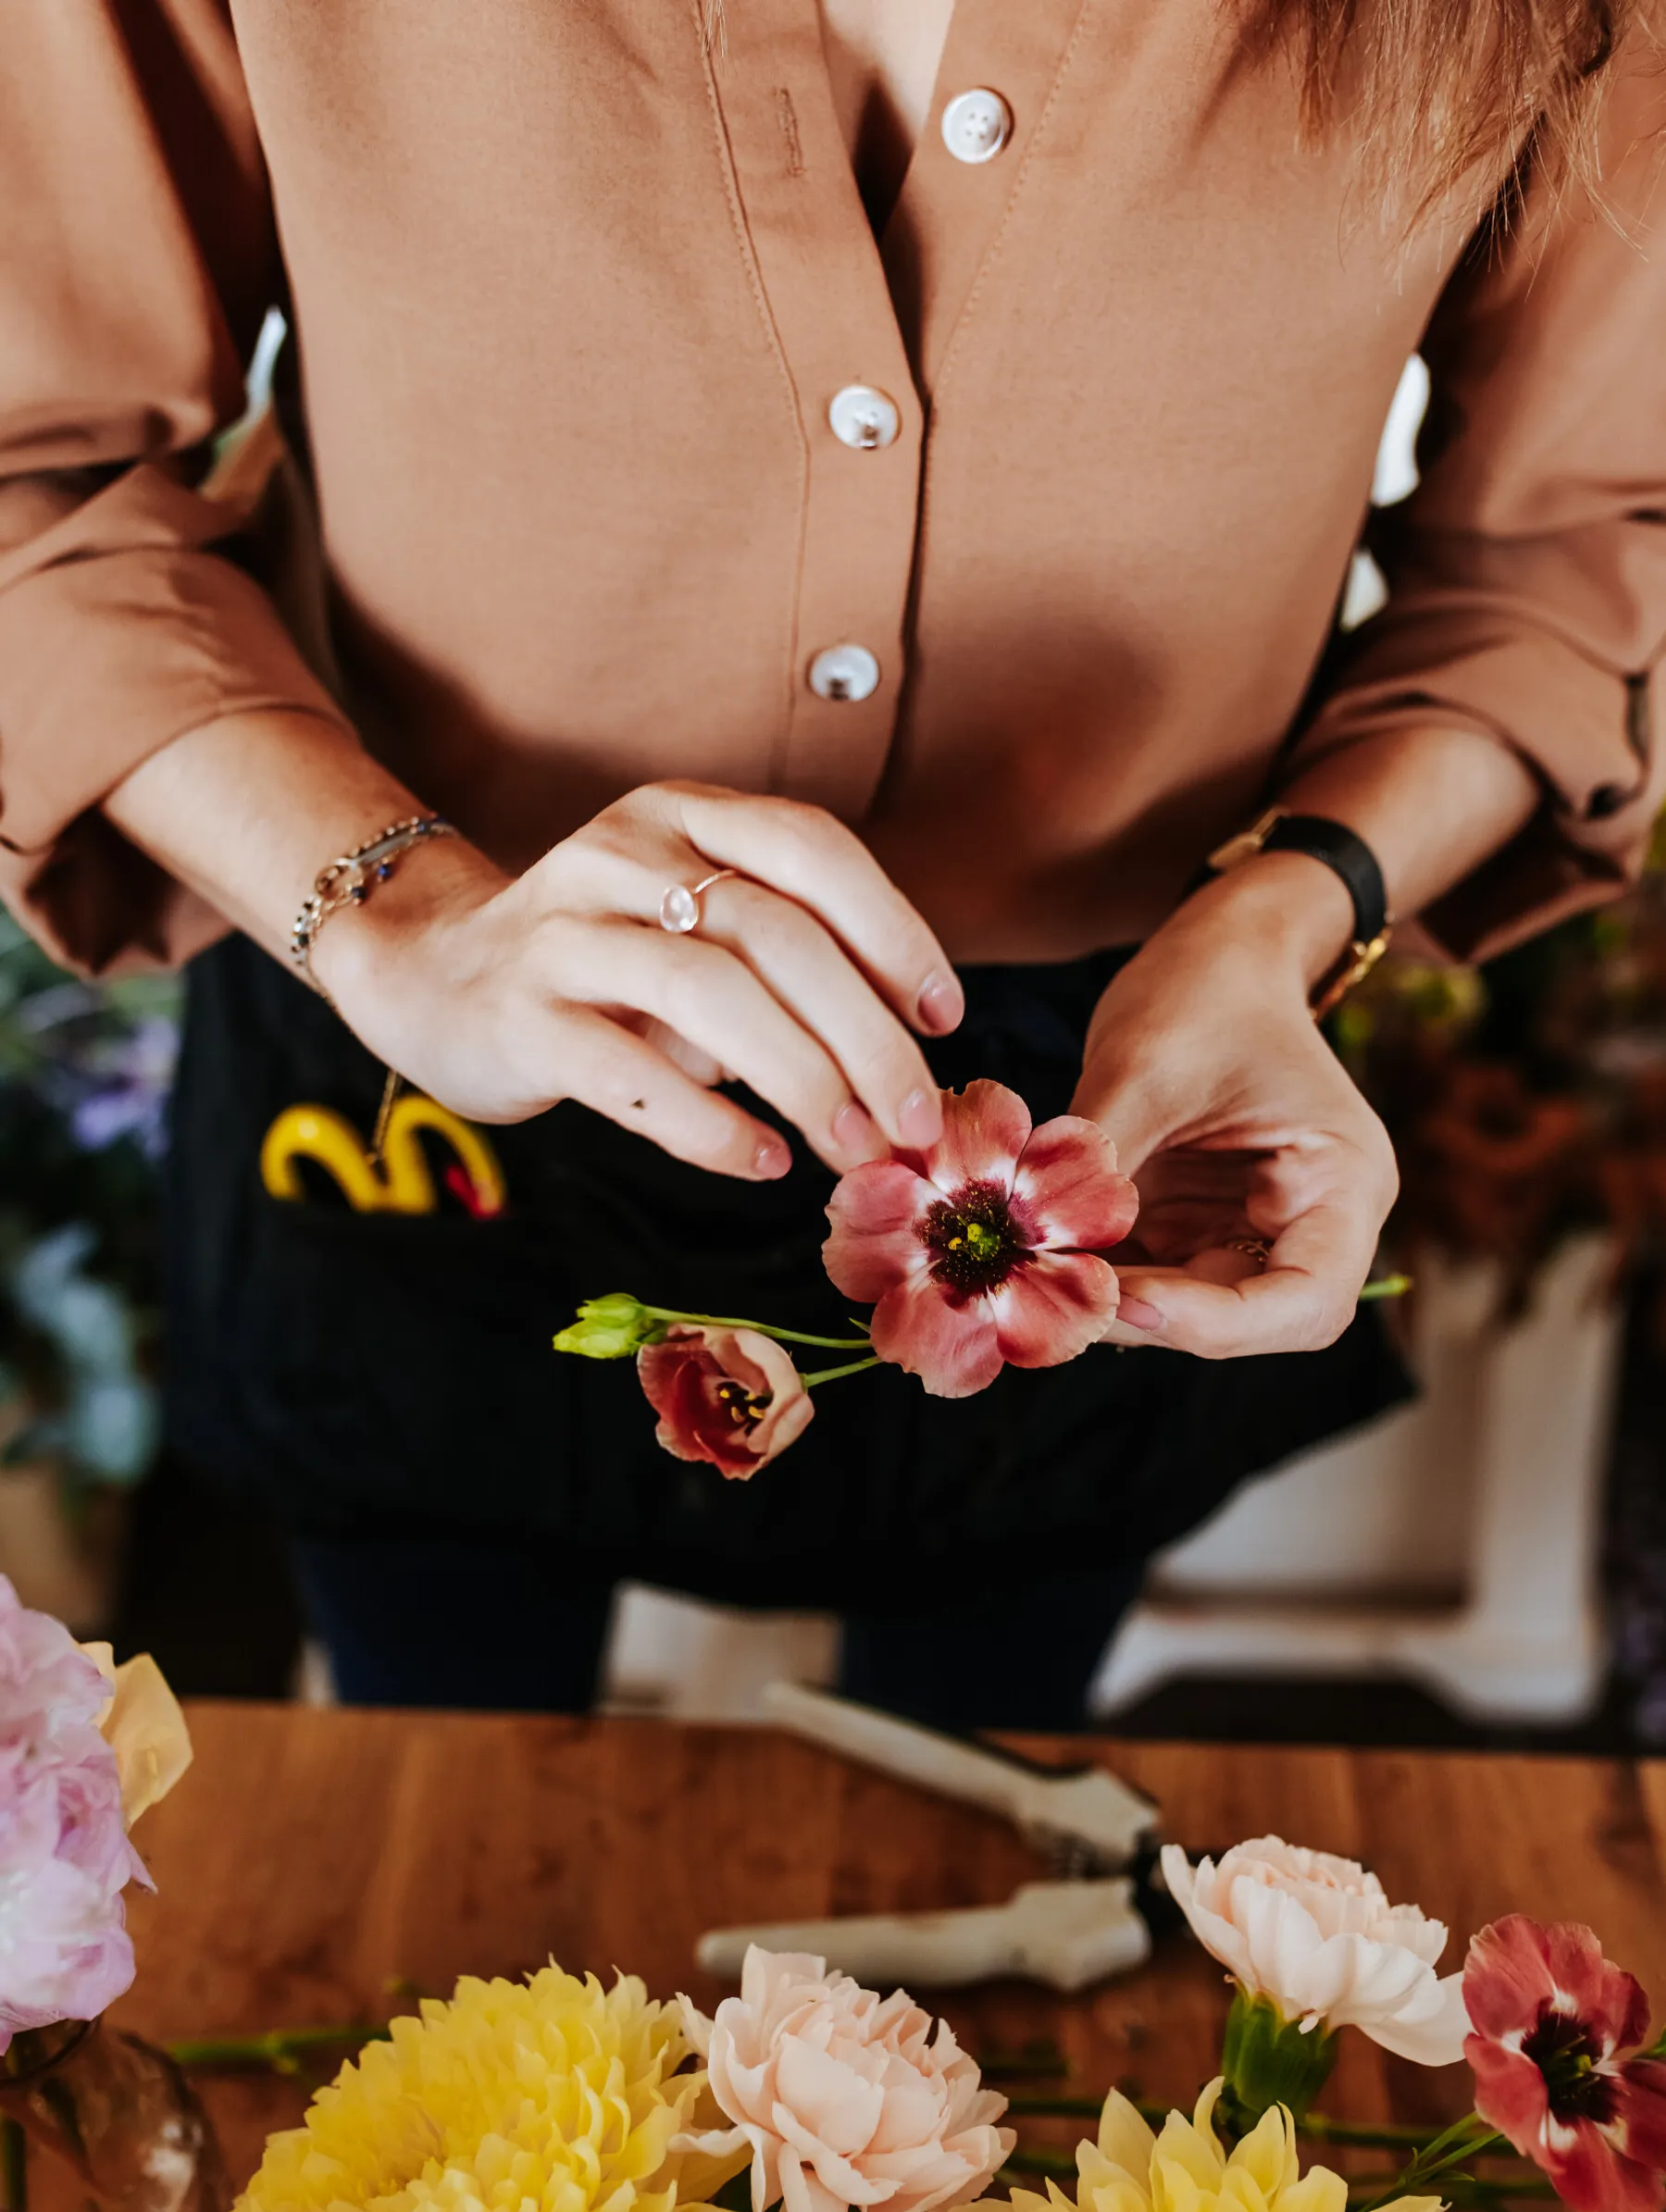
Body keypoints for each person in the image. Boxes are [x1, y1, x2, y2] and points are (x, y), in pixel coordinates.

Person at [2, 0, 1661, 1727]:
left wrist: (1287, 906)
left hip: (1138, 1074)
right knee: (444, 1812)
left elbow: (1561, 554)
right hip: (427, 1009)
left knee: (987, 1838)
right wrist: (398, 915)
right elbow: (34, 466)